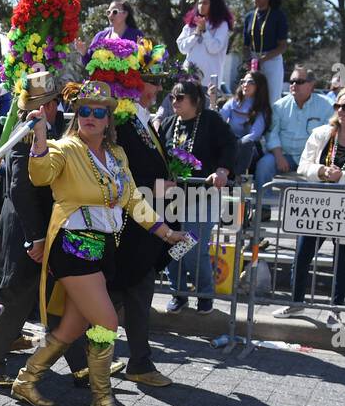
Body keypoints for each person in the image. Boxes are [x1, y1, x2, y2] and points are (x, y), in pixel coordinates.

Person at [14, 81, 190, 406]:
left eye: (99, 112)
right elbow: (39, 175)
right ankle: (101, 397)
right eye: (84, 111)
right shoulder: (63, 148)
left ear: (109, 120)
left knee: (70, 329)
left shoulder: (117, 156)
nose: (91, 117)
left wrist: (166, 233)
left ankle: (26, 379)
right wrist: (37, 136)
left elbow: (133, 200)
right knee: (108, 322)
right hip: (73, 246)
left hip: (104, 247)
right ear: (75, 115)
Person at [0, 72, 63, 388]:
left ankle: (83, 364)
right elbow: (20, 187)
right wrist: (35, 237)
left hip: (33, 225)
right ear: (48, 105)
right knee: (16, 296)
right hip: (25, 227)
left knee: (56, 295)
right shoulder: (29, 132)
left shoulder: (37, 128)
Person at [274, 91, 345, 324]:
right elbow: (304, 165)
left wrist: (342, 176)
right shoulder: (322, 134)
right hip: (317, 205)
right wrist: (321, 171)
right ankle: (296, 304)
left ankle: (335, 311)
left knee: (341, 261)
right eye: (338, 106)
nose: (340, 111)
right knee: (303, 255)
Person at [112, 44, 177, 386]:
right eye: (152, 81)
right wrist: (157, 186)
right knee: (127, 296)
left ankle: (128, 360)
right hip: (131, 223)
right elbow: (123, 174)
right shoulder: (123, 122)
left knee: (131, 295)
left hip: (145, 222)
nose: (158, 89)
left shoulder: (142, 120)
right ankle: (132, 362)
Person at [160, 79, 237, 312]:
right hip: (173, 198)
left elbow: (230, 145)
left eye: (180, 97)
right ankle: (179, 293)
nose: (175, 101)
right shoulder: (168, 124)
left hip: (203, 196)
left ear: (196, 100)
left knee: (192, 248)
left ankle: (204, 293)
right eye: (172, 97)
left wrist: (222, 170)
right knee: (171, 247)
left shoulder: (211, 120)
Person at [255, 67, 334, 189]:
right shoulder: (279, 106)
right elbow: (272, 133)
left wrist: (314, 162)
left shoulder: (327, 106)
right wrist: (279, 156)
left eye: (299, 82)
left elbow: (330, 136)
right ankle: (263, 206)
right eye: (292, 81)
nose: (294, 85)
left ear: (311, 85)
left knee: (323, 176)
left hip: (313, 159)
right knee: (264, 165)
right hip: (285, 156)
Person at [218, 71, 272, 177]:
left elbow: (255, 134)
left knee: (246, 143)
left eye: (250, 82)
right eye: (243, 81)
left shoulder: (262, 108)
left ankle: (238, 179)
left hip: (250, 149)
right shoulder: (233, 102)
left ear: (259, 86)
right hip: (232, 143)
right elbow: (219, 121)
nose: (245, 84)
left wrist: (235, 144)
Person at [241, 0, 288, 104]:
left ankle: (272, 123)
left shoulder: (278, 15)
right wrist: (248, 60)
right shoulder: (249, 17)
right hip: (254, 61)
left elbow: (282, 46)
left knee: (272, 99)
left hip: (272, 60)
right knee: (251, 98)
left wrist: (264, 59)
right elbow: (245, 45)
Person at [175, 0, 232, 92]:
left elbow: (214, 48)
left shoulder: (222, 25)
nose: (201, 6)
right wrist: (196, 33)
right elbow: (182, 48)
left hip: (210, 80)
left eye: (205, 3)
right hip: (189, 77)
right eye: (200, 3)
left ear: (214, 5)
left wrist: (205, 31)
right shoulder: (190, 25)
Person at [84, 0, 142, 66]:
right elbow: (89, 63)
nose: (110, 16)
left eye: (114, 12)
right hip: (102, 76)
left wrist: (139, 51)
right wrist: (83, 53)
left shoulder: (137, 35)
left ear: (125, 14)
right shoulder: (99, 36)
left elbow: (145, 62)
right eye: (108, 12)